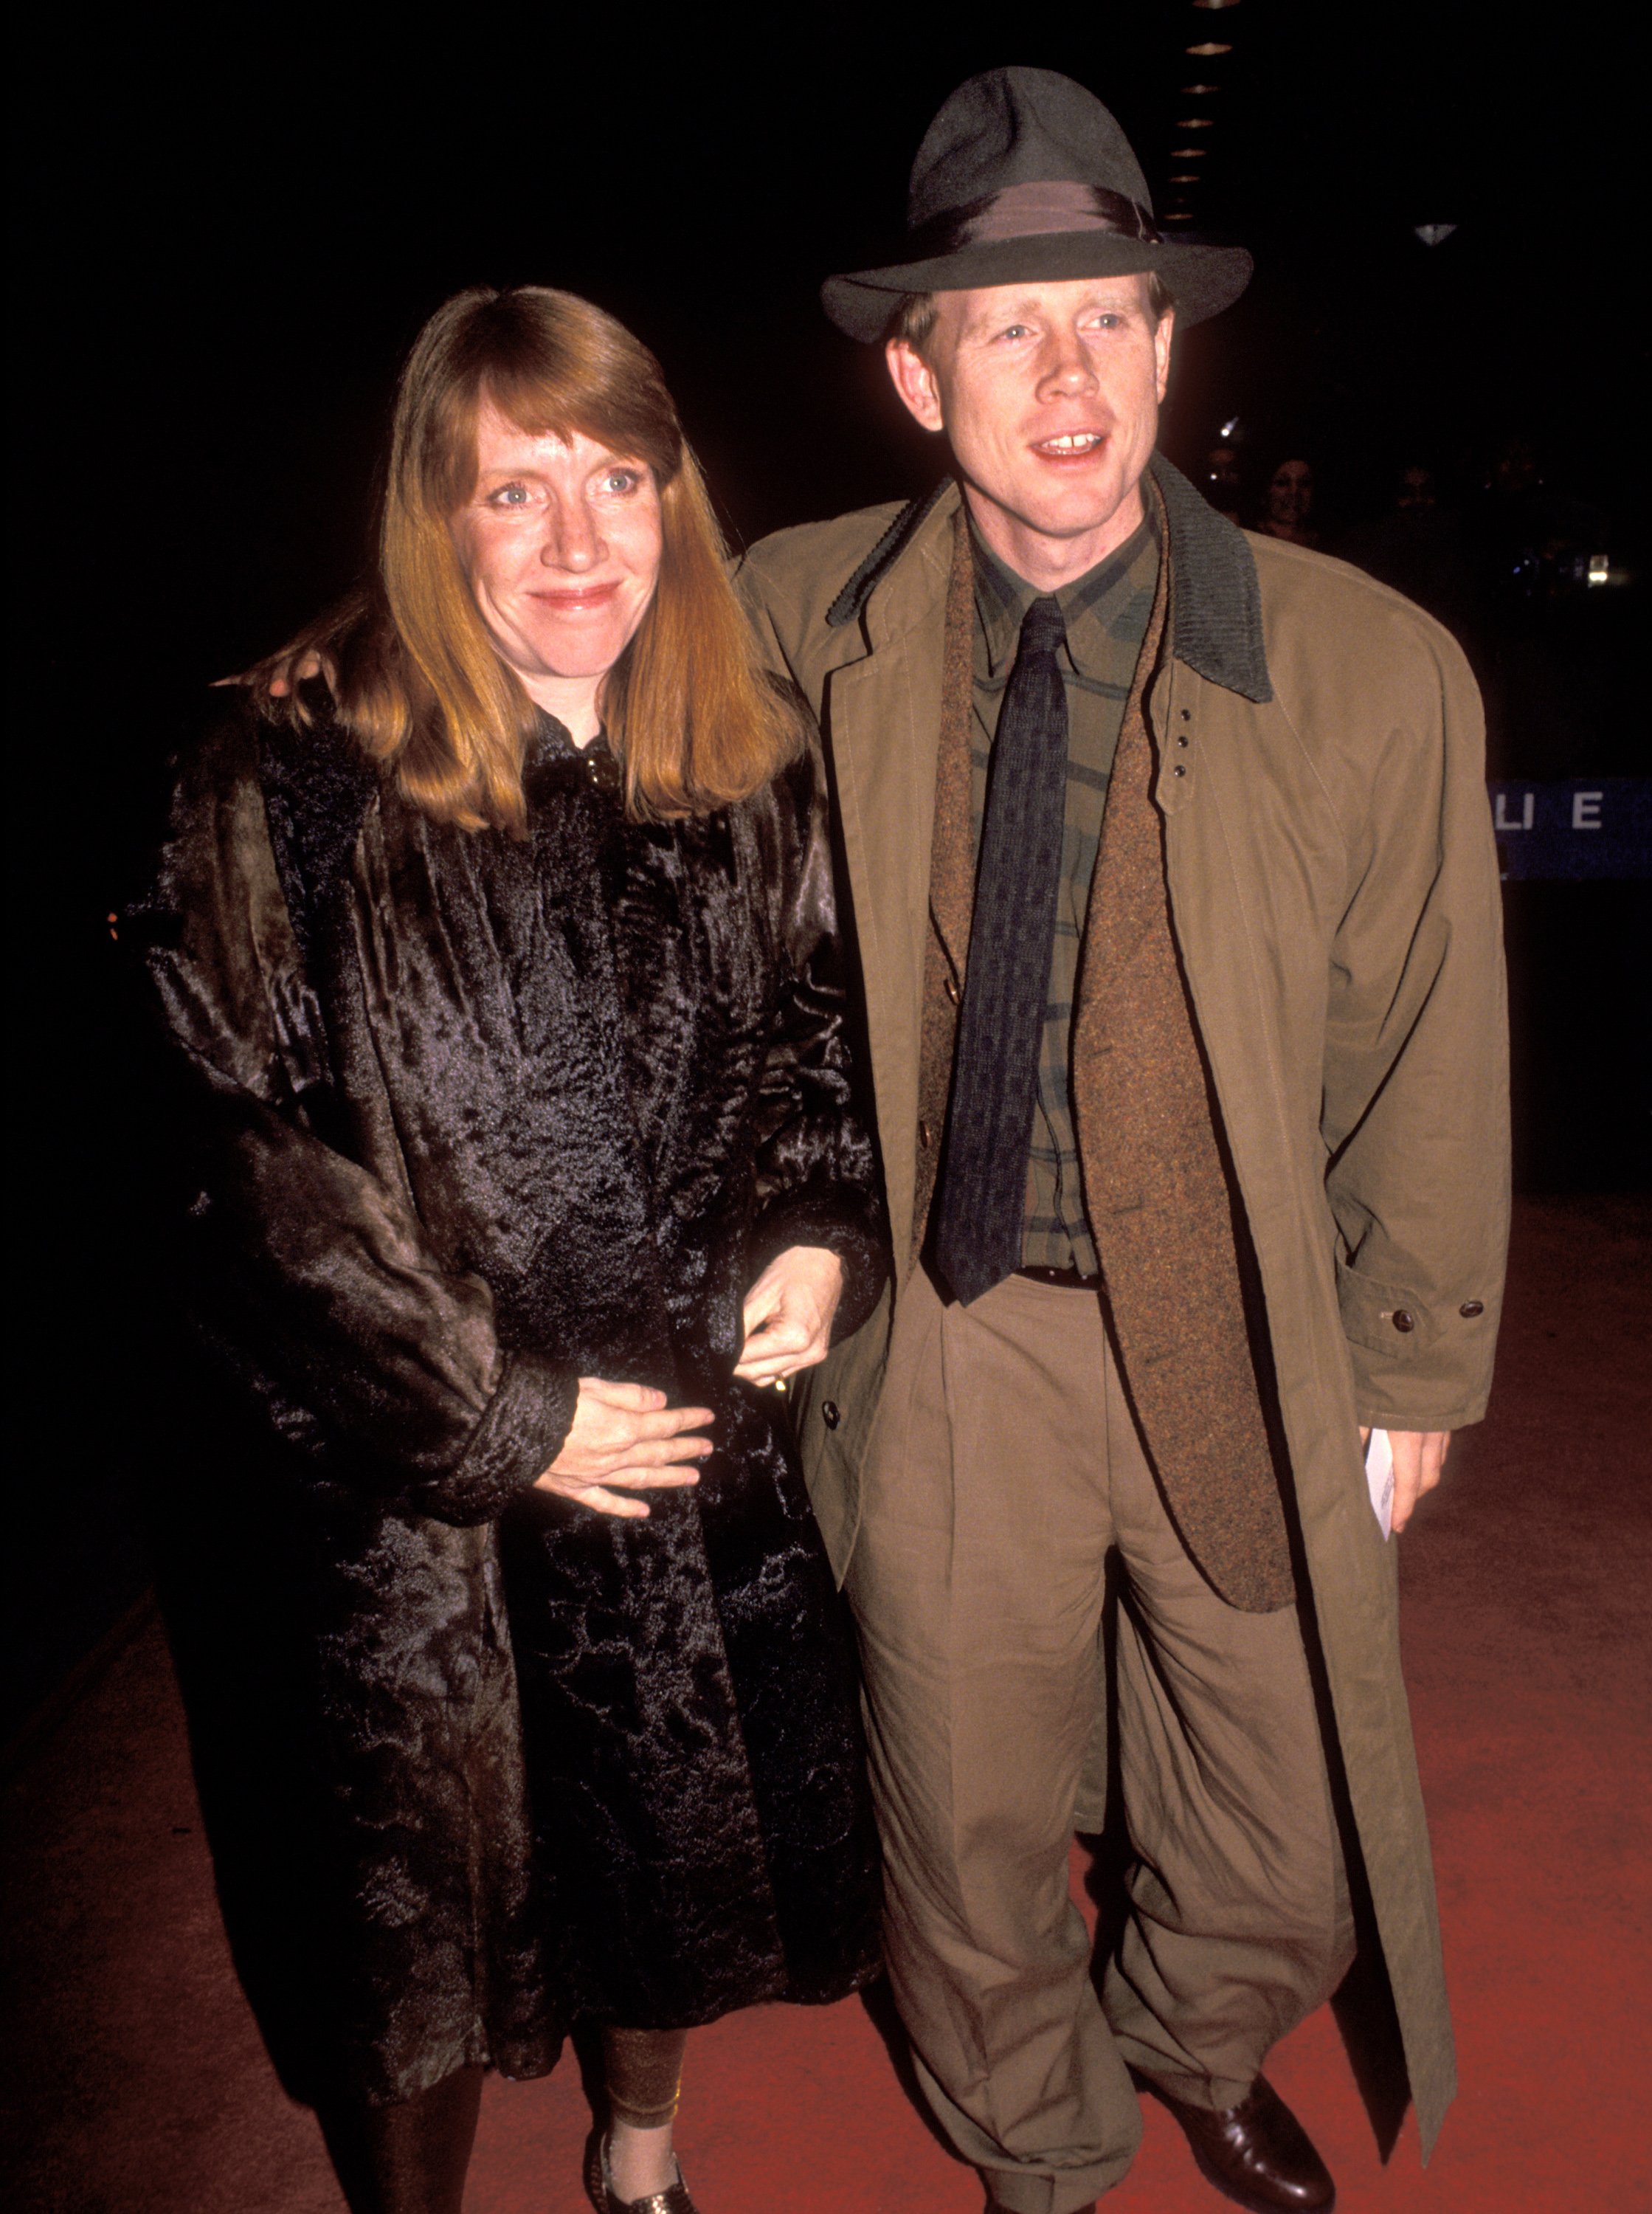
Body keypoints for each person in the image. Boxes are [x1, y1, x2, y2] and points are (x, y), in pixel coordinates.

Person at [732, 68, 1507, 2214]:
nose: (1064, 374)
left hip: (1237, 1319)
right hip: (943, 1328)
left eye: (1108, 318)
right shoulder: (791, 625)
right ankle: (1043, 2148)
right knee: (957, 1818)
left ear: (1167, 348)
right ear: (915, 371)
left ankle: (1179, 2032)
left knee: (1288, 1839)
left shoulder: (1367, 668)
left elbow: (1428, 1042)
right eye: (1008, 327)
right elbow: (527, 683)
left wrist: (1414, 1357)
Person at [129, 284, 885, 2214]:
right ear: (428, 512)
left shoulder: (742, 756)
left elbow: (815, 1044)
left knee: (667, 1847)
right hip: (401, 1517)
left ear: (675, 502)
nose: (574, 542)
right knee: (410, 1938)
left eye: (616, 481)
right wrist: (488, 1415)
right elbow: (236, 1161)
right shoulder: (280, 776)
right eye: (512, 490)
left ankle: (637, 2162)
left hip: (662, 1450)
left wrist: (811, 1236)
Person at [1257, 454, 1319, 545]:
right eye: (1282, 483)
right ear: (1267, 489)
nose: (1294, 492)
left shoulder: (1326, 545)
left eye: (1304, 483)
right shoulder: (1244, 534)